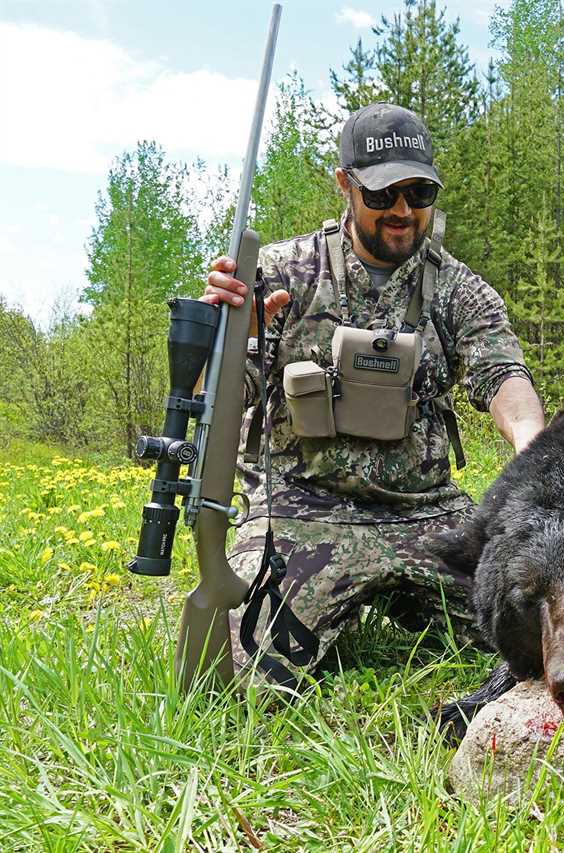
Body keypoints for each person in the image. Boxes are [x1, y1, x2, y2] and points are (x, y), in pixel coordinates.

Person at [202, 103, 545, 688]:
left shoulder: (458, 288)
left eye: (419, 192)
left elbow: (504, 375)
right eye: (383, 195)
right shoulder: (283, 274)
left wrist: (532, 443)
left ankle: (400, 600)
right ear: (345, 185)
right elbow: (214, 396)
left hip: (425, 512)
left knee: (537, 633)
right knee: (244, 677)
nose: (403, 212)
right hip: (302, 508)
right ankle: (330, 604)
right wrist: (230, 337)